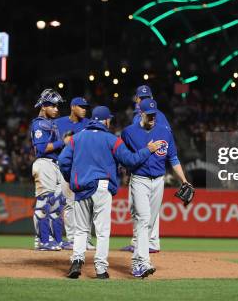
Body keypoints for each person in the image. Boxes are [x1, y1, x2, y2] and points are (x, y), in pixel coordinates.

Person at [58, 105, 163, 279]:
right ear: (105, 120)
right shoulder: (111, 139)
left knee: (81, 230)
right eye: (109, 119)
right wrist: (148, 150)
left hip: (81, 187)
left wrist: (72, 179)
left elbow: (62, 161)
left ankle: (76, 261)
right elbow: (130, 160)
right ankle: (100, 269)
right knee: (102, 231)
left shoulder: (77, 138)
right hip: (101, 188)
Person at [121, 98, 190, 278]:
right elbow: (124, 158)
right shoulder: (129, 132)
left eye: (154, 114)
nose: (152, 117)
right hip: (139, 180)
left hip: (159, 181)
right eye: (149, 114)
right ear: (141, 114)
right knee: (143, 219)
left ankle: (139, 261)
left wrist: (184, 180)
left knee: (150, 223)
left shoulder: (164, 131)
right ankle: (140, 263)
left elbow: (173, 158)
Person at [121, 85, 169, 253]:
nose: (143, 100)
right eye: (141, 98)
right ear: (137, 99)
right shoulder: (147, 116)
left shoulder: (154, 116)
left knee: (140, 210)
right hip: (145, 167)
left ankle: (143, 243)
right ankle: (149, 242)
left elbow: (164, 143)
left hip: (145, 169)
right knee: (147, 211)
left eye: (146, 97)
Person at [30, 88, 70, 251]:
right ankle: (42, 240)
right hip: (44, 163)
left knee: (57, 204)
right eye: (53, 106)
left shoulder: (51, 124)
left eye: (56, 106)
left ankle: (57, 240)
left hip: (54, 165)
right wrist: (63, 142)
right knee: (44, 203)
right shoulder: (39, 124)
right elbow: (41, 148)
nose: (56, 109)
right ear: (44, 106)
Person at [54, 96, 93, 250]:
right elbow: (53, 145)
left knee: (87, 204)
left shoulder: (89, 123)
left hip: (85, 167)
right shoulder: (58, 123)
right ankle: (71, 239)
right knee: (69, 204)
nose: (84, 109)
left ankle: (87, 239)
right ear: (73, 107)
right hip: (67, 167)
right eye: (81, 107)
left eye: (85, 107)